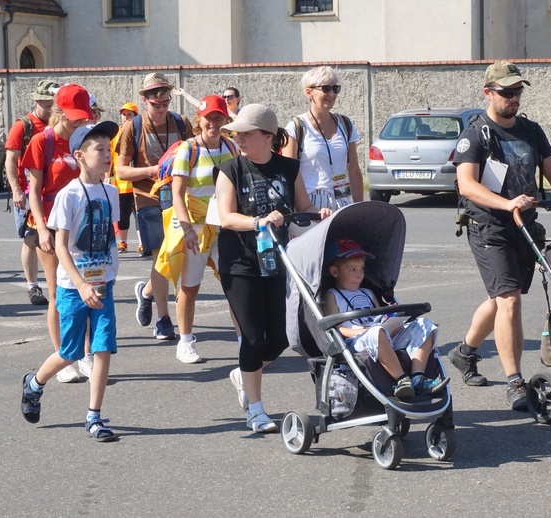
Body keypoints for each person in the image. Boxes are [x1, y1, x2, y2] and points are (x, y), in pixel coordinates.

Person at [450, 60, 551, 410]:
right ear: (488, 93)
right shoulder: (475, 134)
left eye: (517, 91)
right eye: (507, 92)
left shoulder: (531, 130)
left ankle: (464, 353)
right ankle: (515, 382)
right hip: (488, 225)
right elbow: (467, 185)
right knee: (509, 299)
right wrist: (507, 204)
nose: (514, 98)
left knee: (499, 298)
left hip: (525, 225)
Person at [215, 103, 331, 433]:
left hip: (279, 261)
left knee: (281, 337)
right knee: (252, 337)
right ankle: (256, 409)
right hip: (241, 263)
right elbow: (226, 217)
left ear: (267, 137)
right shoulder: (230, 169)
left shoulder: (289, 168)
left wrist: (318, 214)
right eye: (236, 134)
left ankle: (243, 373)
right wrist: (258, 221)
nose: (239, 139)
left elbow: (302, 207)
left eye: (246, 134)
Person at [20, 120, 121, 442]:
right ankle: (34, 383)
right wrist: (80, 283)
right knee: (72, 352)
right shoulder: (69, 195)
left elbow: (108, 235)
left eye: (109, 149)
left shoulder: (111, 191)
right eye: (99, 149)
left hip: (103, 285)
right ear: (79, 155)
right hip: (73, 287)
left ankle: (94, 417)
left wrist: (108, 273)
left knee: (103, 349)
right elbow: (61, 245)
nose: (107, 155)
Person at [156, 95, 238, 363]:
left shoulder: (231, 147)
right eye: (208, 118)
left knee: (233, 285)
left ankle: (243, 342)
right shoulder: (188, 149)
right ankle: (186, 342)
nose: (213, 123)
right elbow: (177, 194)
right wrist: (188, 229)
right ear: (199, 120)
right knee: (190, 288)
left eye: (218, 117)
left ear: (225, 120)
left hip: (224, 227)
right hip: (197, 228)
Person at [22, 83, 94, 384]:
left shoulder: (85, 141)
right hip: (49, 224)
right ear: (59, 111)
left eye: (83, 116)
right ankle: (64, 357)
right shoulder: (42, 141)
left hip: (81, 224)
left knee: (89, 289)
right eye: (74, 116)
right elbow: (34, 192)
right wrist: (40, 228)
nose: (80, 121)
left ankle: (88, 355)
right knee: (57, 294)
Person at [116, 72, 193, 341]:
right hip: (147, 196)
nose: (161, 109)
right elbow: (121, 171)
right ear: (144, 100)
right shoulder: (132, 127)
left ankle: (147, 291)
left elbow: (194, 155)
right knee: (162, 254)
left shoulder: (182, 123)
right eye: (155, 104)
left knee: (178, 255)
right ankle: (163, 319)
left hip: (179, 196)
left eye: (166, 103)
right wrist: (154, 169)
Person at [322, 239, 449, 398]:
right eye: (352, 269)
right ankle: (401, 379)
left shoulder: (367, 292)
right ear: (335, 272)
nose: (359, 274)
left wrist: (393, 326)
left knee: (424, 325)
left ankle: (418, 377)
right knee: (377, 332)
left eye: (361, 268)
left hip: (380, 333)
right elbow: (337, 328)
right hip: (357, 340)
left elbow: (380, 316)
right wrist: (368, 330)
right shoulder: (332, 295)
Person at [4, 78, 60, 306]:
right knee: (31, 239)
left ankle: (59, 283)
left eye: (54, 106)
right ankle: (33, 286)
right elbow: (10, 159)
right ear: (37, 101)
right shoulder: (23, 126)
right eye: (47, 106)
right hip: (28, 192)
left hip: (53, 190)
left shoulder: (58, 124)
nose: (51, 110)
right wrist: (17, 190)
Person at [282, 66, 364, 210]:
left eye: (335, 88)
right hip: (310, 205)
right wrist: (305, 209)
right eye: (326, 89)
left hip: (342, 202)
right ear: (309, 92)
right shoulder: (296, 127)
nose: (331, 94)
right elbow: (289, 175)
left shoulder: (345, 124)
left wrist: (360, 208)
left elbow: (354, 170)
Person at [110, 102, 141, 254]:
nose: (126, 117)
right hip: (121, 182)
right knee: (122, 214)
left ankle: (143, 243)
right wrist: (105, 177)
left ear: (136, 116)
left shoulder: (140, 131)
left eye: (130, 114)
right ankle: (123, 242)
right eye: (124, 114)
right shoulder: (115, 133)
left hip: (138, 180)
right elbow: (110, 156)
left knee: (140, 212)